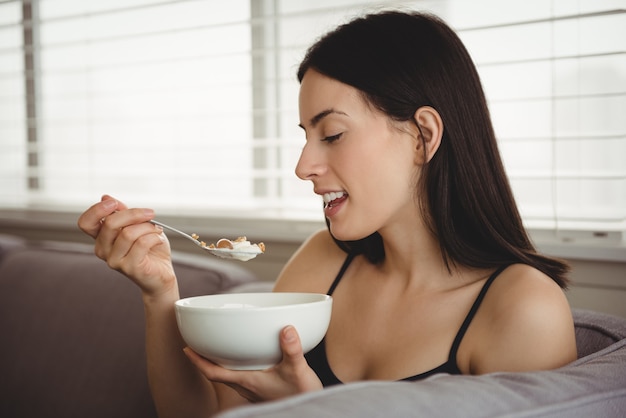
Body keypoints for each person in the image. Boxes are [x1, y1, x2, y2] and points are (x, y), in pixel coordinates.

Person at [78, 9, 577, 417]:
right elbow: (209, 413)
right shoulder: (322, 264)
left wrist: (312, 409)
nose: (303, 167)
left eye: (332, 134)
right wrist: (159, 292)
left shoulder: (521, 310)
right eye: (305, 136)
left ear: (424, 135)